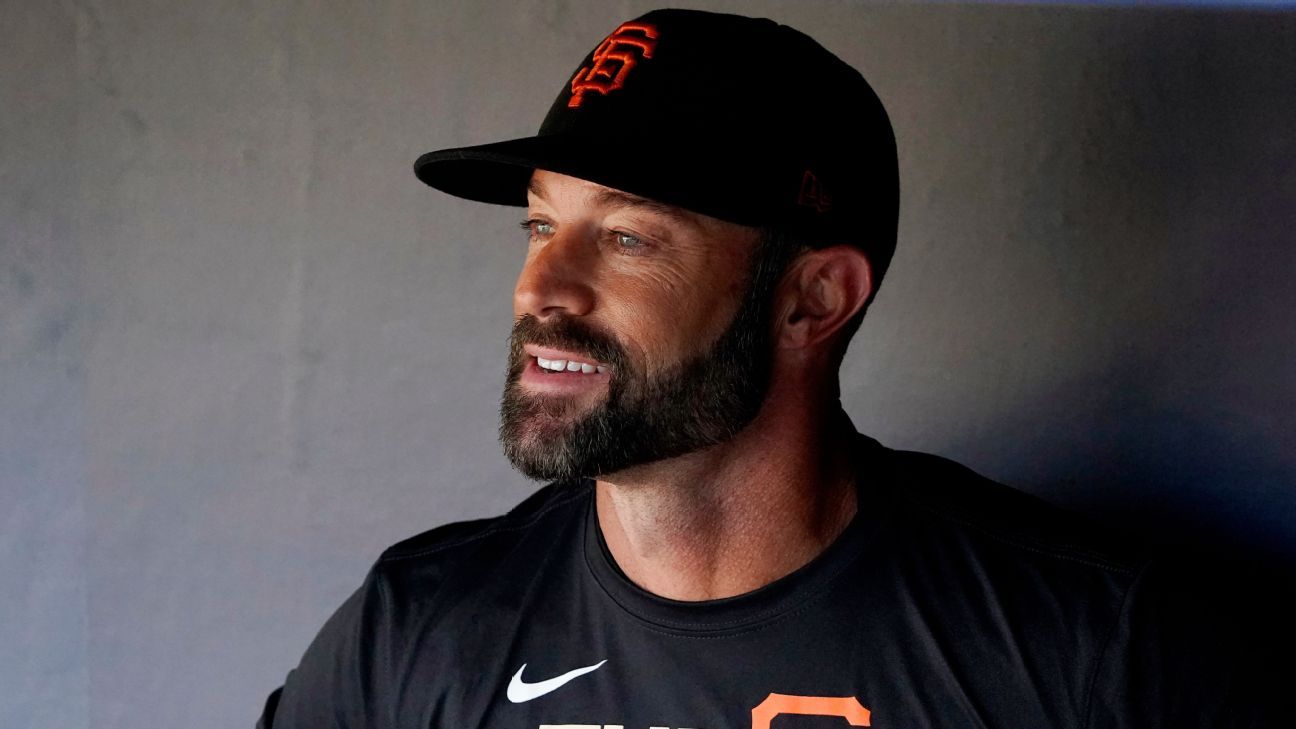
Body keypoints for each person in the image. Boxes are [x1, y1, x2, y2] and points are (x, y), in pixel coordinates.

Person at [258, 9, 1272, 728]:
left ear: (812, 299)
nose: (542, 288)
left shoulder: (1093, 649)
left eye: (627, 240)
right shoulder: (418, 630)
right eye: (541, 224)